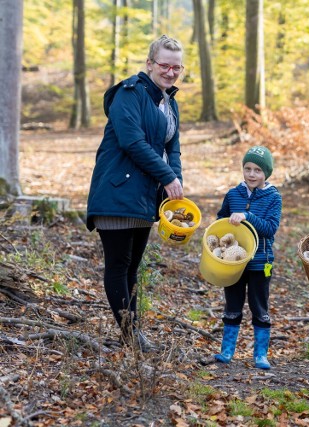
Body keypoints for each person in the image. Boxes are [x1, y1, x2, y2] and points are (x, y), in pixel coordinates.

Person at [86, 35, 186, 353]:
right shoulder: (128, 94)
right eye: (164, 65)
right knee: (118, 265)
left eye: (177, 67)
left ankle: (132, 335)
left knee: (132, 267)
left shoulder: (170, 103)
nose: (170, 72)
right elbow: (132, 142)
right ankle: (131, 338)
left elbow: (174, 149)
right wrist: (167, 176)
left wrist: (176, 186)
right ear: (150, 63)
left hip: (145, 197)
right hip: (116, 191)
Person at [213, 146, 282, 370]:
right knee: (232, 304)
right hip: (234, 263)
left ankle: (260, 354)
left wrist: (247, 216)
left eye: (257, 170)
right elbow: (222, 220)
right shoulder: (234, 194)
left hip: (261, 262)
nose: (252, 174)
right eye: (247, 168)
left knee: (259, 306)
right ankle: (226, 351)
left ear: (266, 173)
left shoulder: (273, 198)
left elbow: (270, 229)